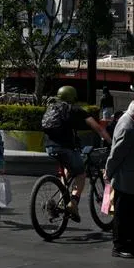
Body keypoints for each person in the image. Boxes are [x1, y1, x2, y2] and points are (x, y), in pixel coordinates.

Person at [41, 85, 111, 223]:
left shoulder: (52, 108)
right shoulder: (75, 110)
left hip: (49, 147)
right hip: (65, 148)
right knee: (81, 174)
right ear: (73, 97)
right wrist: (110, 142)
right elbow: (98, 128)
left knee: (67, 170)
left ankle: (62, 200)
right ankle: (73, 203)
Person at [104, 101, 134, 258]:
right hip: (127, 181)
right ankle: (119, 246)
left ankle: (132, 242)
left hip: (132, 180)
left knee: (131, 214)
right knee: (123, 214)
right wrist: (108, 172)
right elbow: (117, 154)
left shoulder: (127, 121)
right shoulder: (128, 128)